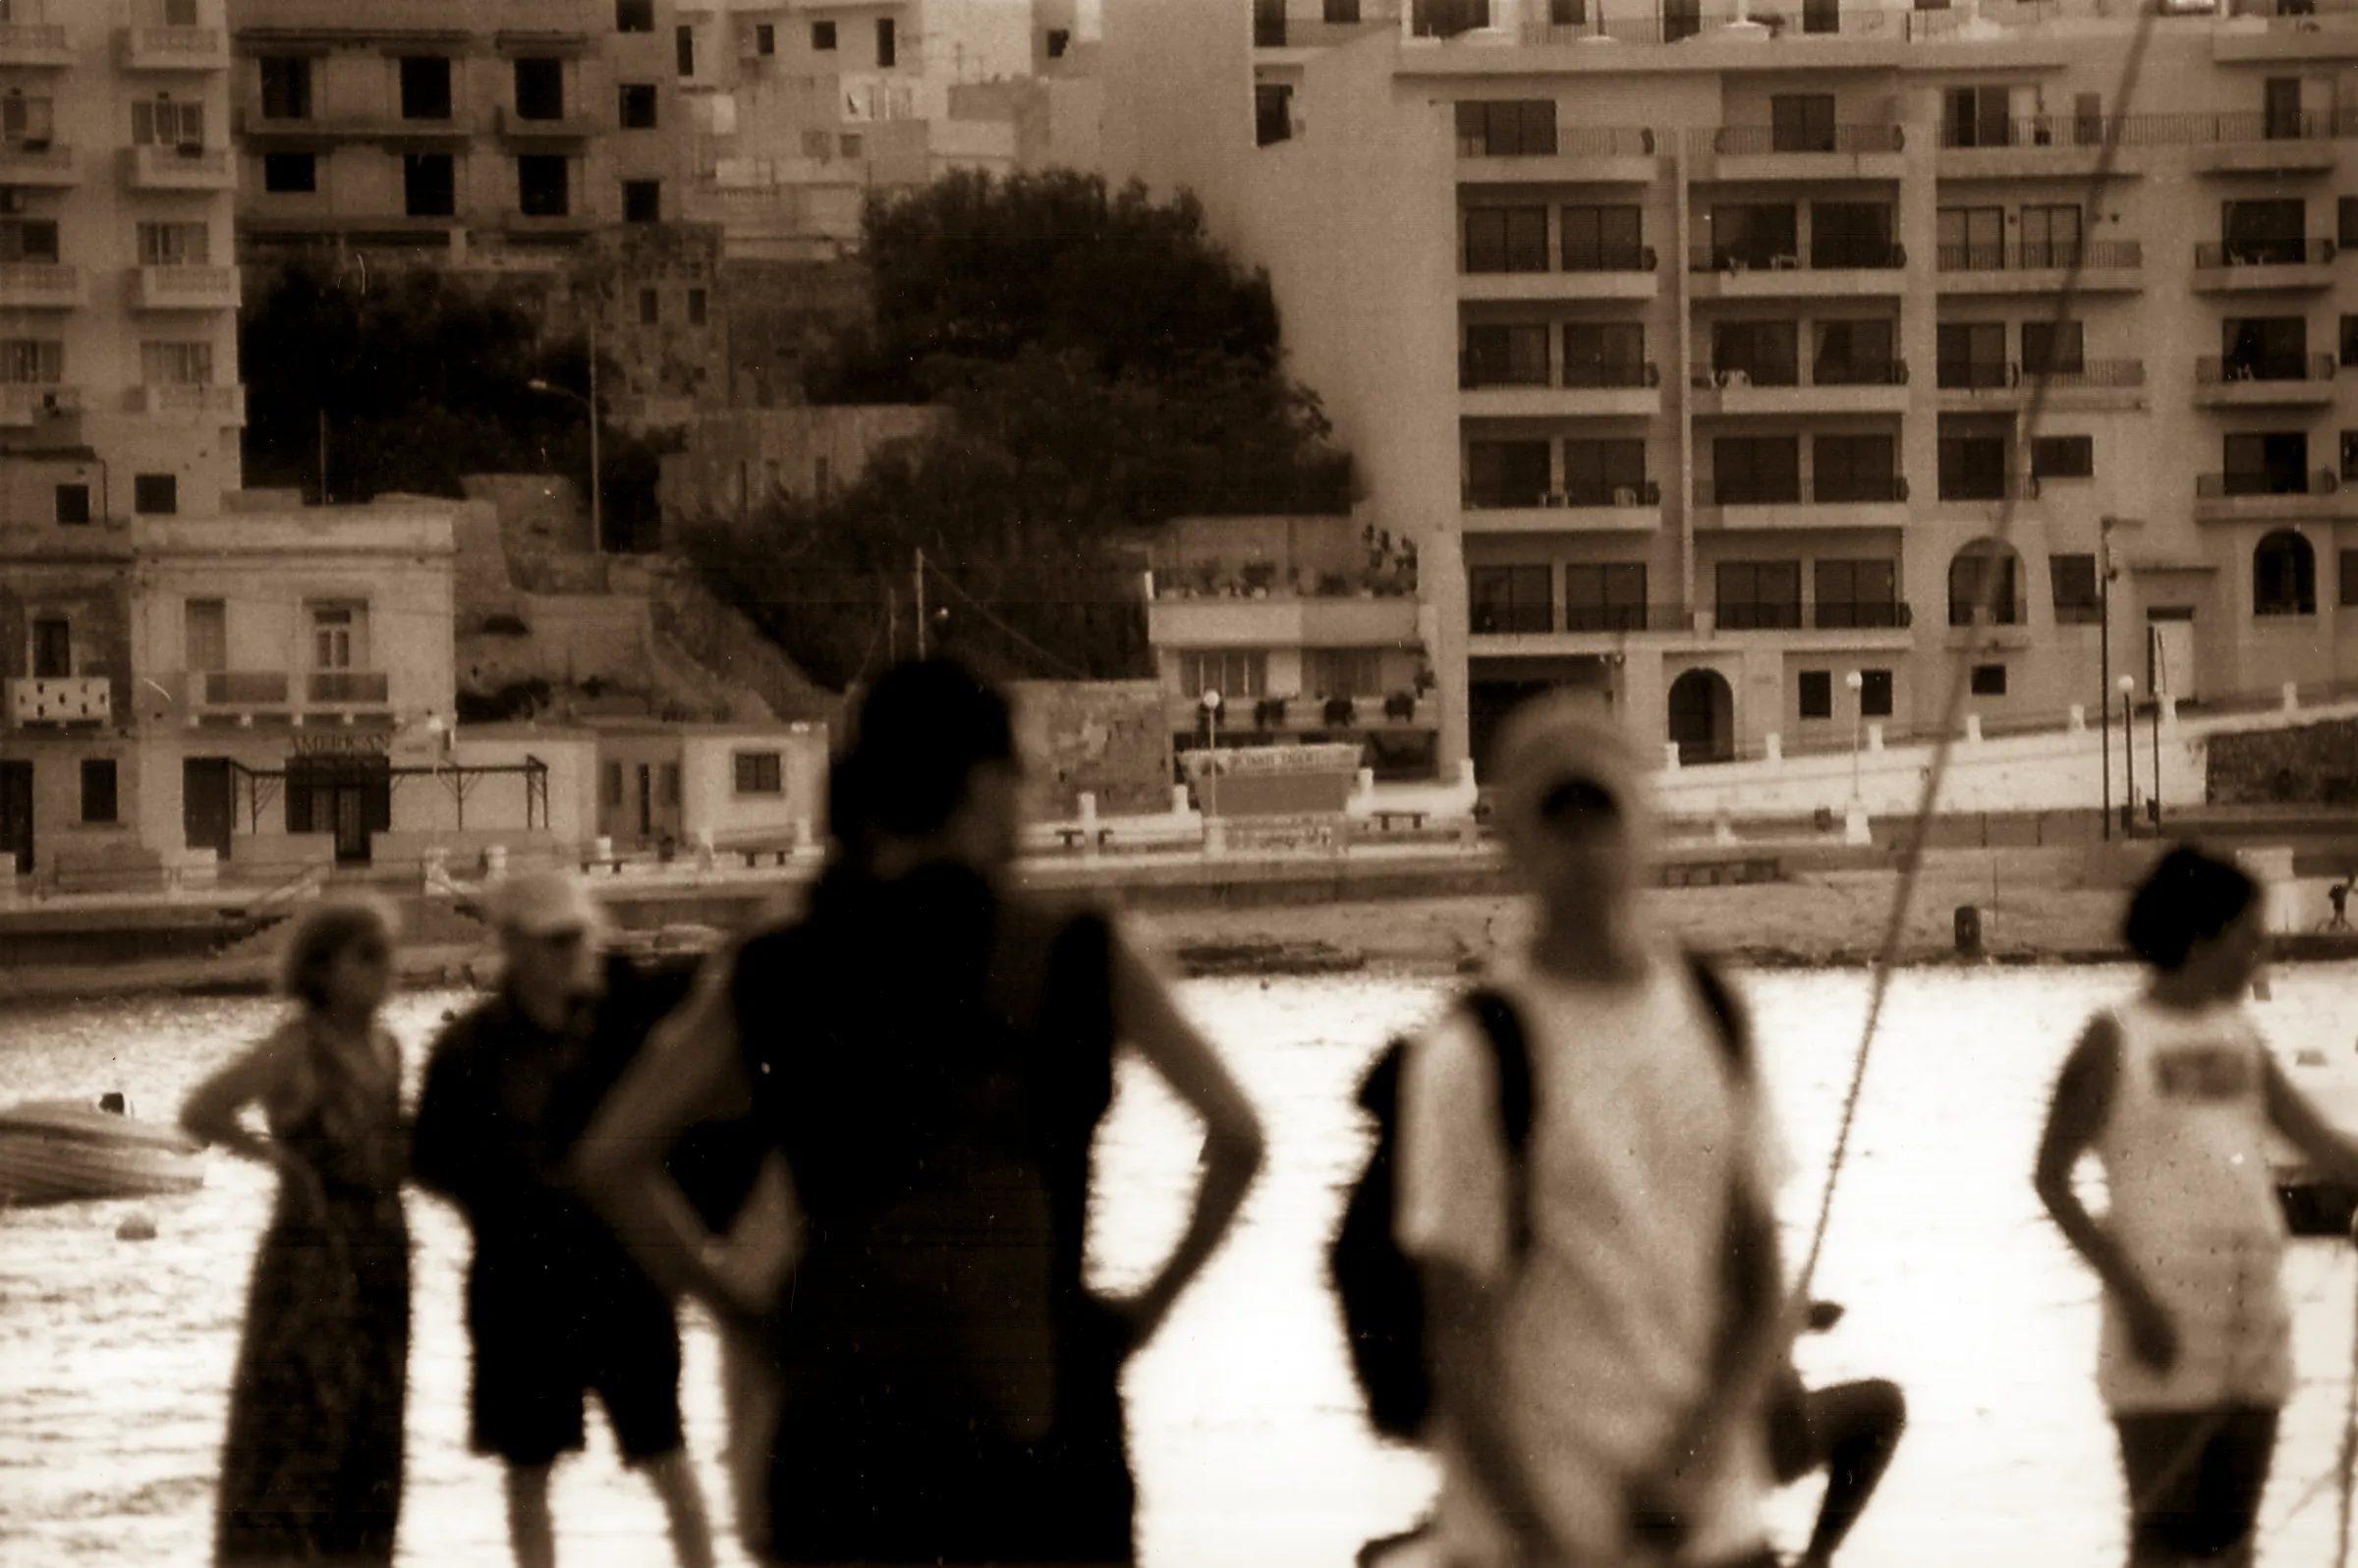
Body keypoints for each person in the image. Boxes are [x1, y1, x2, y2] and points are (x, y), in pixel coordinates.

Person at [572, 655, 1267, 1567]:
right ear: (980, 785)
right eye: (1024, 774)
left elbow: (612, 1158)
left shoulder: (779, 963)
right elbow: (1239, 1137)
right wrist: (1141, 1312)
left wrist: (737, 1313)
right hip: (1044, 1448)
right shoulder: (1079, 950)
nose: (1031, 799)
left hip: (841, 1446)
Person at [1393, 695, 1789, 1568]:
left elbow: (1760, 1285)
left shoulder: (1715, 1014)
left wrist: (1697, 1454)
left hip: (1709, 1533)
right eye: (1557, 821)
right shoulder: (1473, 1053)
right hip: (1529, 1539)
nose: (1582, 848)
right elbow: (1457, 1335)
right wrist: (1542, 1543)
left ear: (1646, 825)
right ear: (1512, 844)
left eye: (1601, 814)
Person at [2035, 844, 2358, 1568]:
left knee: (2232, 1538)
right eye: (2250, 937)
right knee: (2164, 1535)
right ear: (2203, 936)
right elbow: (2051, 1179)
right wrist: (2132, 1298)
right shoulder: (2113, 1037)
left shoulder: (2239, 1035)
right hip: (2159, 1314)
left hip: (2252, 1313)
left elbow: (2320, 1143)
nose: (2260, 953)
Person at [411, 870, 715, 1568]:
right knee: (528, 1470)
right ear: (513, 944)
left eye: (578, 937)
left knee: (666, 1455)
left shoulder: (627, 1025)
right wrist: (506, 1208)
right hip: (520, 1285)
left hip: (627, 1276)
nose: (572, 952)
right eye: (554, 940)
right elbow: (433, 1161)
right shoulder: (469, 1049)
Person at [181, 895, 412, 1567]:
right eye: (368, 954)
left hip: (382, 1259)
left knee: (372, 1438)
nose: (387, 967)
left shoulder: (388, 1047)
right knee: (302, 1430)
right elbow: (202, 1109)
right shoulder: (297, 1048)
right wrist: (275, 1157)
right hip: (314, 1266)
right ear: (322, 968)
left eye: (388, 952)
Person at [1765, 1302, 1906, 1568]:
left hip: (1723, 1434)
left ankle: (1815, 1558)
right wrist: (1797, 1315)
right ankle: (1816, 1559)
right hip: (1749, 1437)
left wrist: (1802, 1316)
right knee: (1885, 1406)